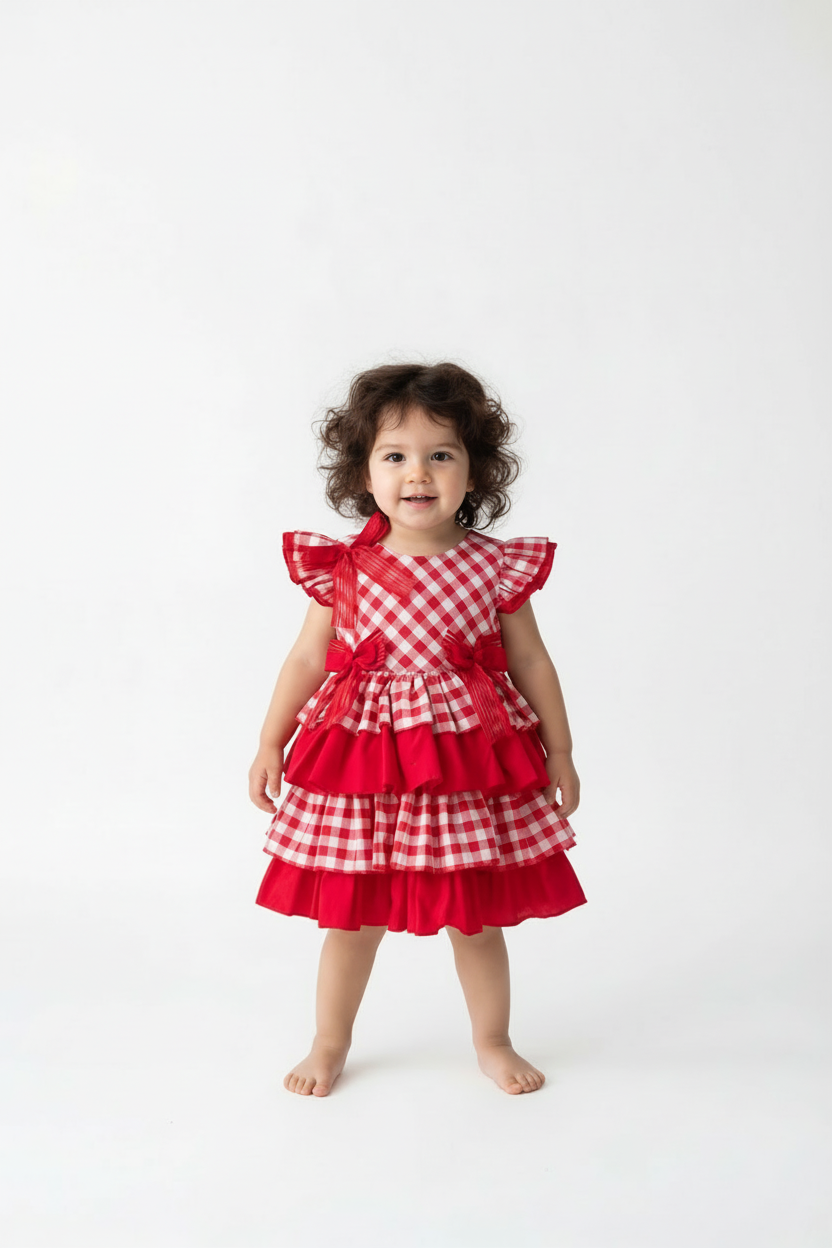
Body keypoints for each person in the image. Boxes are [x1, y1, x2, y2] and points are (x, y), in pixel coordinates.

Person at [248, 360, 587, 1098]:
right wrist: (271, 739)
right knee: (350, 920)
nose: (418, 473)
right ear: (364, 473)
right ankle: (329, 1041)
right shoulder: (348, 568)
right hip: (363, 768)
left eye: (442, 454)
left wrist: (559, 750)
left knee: (476, 920)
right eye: (395, 455)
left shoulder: (493, 569)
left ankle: (493, 1040)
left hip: (466, 767)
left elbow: (530, 659)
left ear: (476, 470)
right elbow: (308, 656)